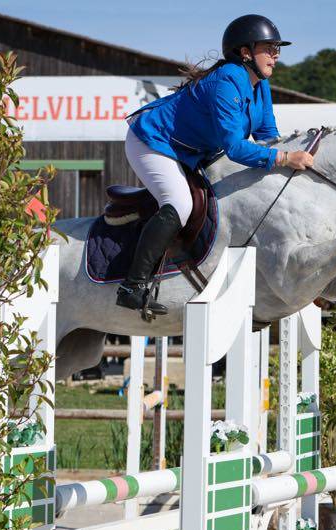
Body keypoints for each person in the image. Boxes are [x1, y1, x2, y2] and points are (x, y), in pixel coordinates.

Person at [114, 14, 314, 316]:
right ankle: (132, 286)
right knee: (179, 203)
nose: (276, 56)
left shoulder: (260, 85)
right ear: (245, 52)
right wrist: (285, 159)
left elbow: (268, 136)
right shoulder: (228, 79)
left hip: (191, 151)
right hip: (151, 140)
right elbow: (234, 147)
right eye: (269, 48)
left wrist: (288, 157)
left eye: (277, 49)